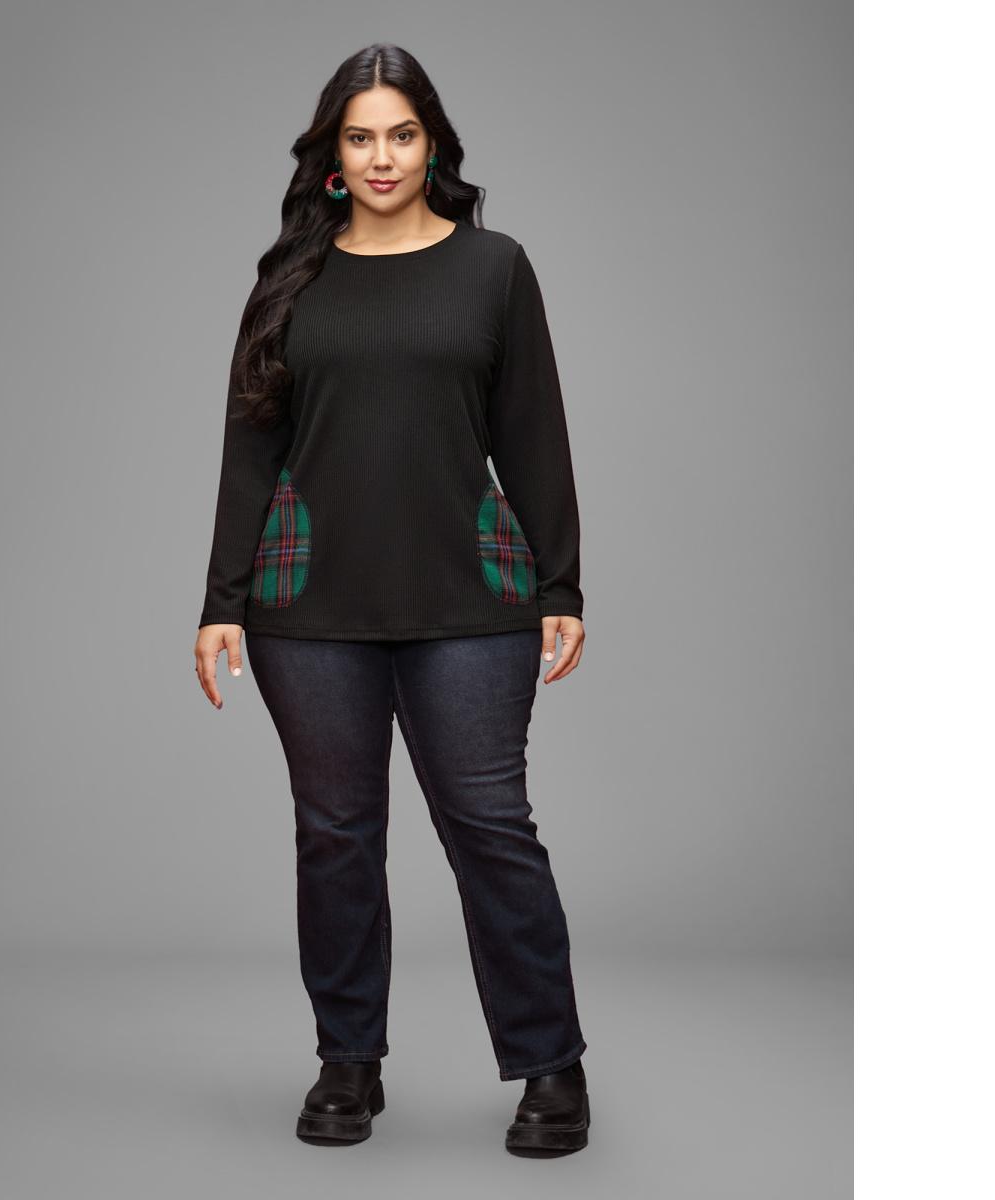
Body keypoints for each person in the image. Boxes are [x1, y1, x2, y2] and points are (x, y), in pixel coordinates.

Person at [194, 43, 590, 1154]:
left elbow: (535, 433)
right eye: (360, 137)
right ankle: (347, 1062)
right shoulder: (289, 284)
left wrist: (561, 581)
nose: (381, 157)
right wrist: (221, 600)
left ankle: (552, 1066)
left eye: (401, 135)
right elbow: (249, 451)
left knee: (492, 829)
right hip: (309, 607)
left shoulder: (495, 269)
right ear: (332, 154)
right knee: (335, 837)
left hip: (473, 598)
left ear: (433, 146)